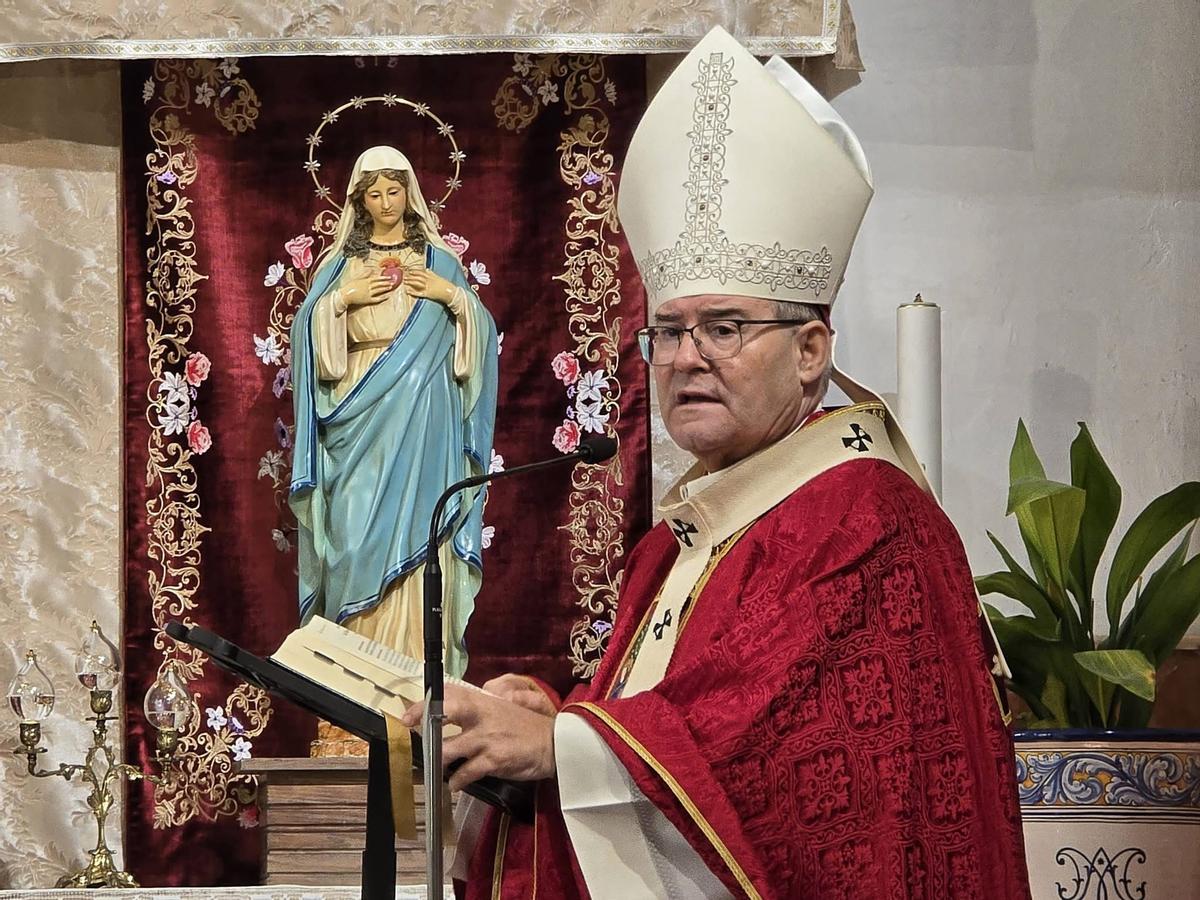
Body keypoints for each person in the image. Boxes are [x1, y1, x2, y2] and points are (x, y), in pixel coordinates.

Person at [403, 29, 1031, 899]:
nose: (686, 357)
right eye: (667, 331)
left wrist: (565, 748)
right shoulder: (676, 542)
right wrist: (565, 720)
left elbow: (784, 771)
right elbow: (687, 724)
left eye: (725, 327)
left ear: (811, 351)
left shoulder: (865, 519)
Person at [290, 145, 497, 680]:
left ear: (410, 194)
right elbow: (309, 341)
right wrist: (343, 300)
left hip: (426, 412)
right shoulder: (341, 266)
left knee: (424, 532)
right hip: (358, 406)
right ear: (359, 202)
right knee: (355, 537)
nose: (385, 202)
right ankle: (352, 686)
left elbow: (479, 338)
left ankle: (414, 682)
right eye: (374, 193)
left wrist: (453, 296)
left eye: (394, 190)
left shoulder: (439, 262)